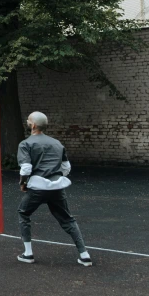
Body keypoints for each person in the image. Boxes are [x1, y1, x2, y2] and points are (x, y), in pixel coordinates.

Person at [17, 111, 92, 266]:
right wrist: (55, 177)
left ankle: (28, 253)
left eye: (29, 120)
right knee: (68, 219)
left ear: (33, 125)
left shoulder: (25, 144)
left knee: (23, 213)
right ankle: (84, 255)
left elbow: (25, 168)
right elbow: (66, 167)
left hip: (37, 188)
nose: (28, 122)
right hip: (57, 187)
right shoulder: (57, 143)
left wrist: (23, 184)